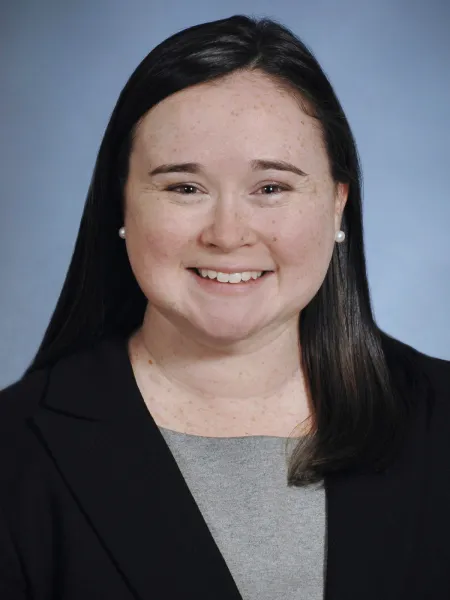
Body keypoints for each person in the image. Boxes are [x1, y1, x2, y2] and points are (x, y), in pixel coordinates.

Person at [0, 13, 449, 600]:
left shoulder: (440, 419)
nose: (228, 233)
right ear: (122, 207)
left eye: (271, 188)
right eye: (184, 187)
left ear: (337, 205)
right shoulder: (14, 454)